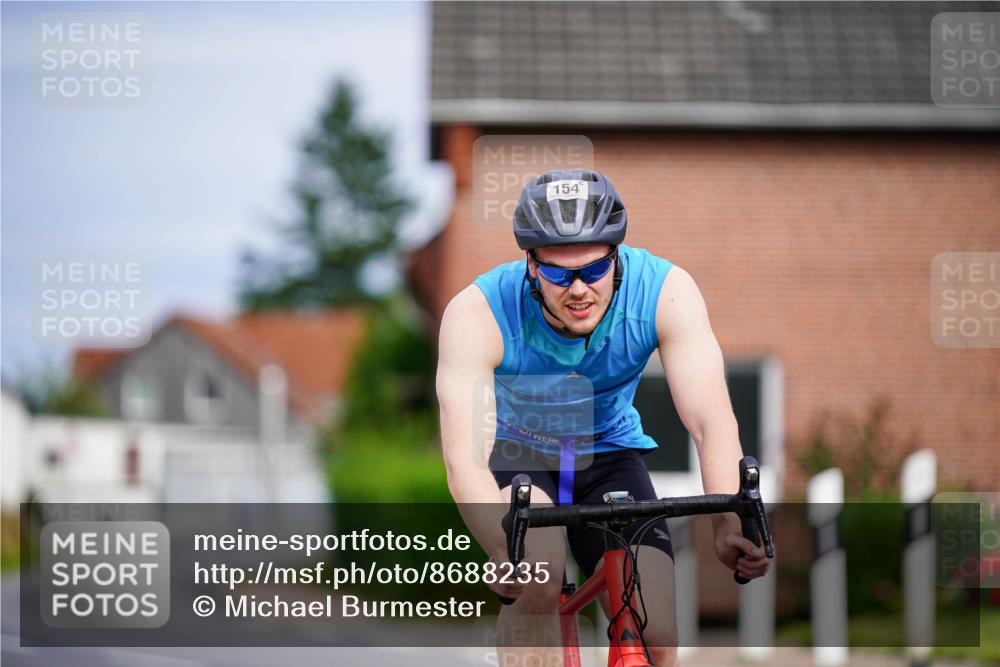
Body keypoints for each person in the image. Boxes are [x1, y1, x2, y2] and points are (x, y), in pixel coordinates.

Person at [437, 168, 772, 666]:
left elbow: (711, 422)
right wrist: (502, 552)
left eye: (593, 271)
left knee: (656, 633)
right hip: (517, 452)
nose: (578, 289)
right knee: (538, 574)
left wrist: (728, 522)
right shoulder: (477, 312)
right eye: (558, 273)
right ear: (531, 266)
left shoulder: (665, 291)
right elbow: (464, 459)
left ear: (616, 257)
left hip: (609, 453)